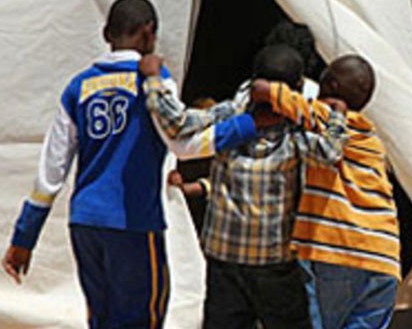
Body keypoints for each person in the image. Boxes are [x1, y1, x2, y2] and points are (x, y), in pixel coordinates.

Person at [1, 0, 257, 328]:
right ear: (149, 33)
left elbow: (51, 172)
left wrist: (24, 237)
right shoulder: (152, 80)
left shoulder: (77, 87)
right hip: (133, 222)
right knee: (142, 318)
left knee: (102, 317)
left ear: (107, 34)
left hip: (86, 223)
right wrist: (248, 125)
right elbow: (183, 144)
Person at [142, 43, 348, 329]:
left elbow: (178, 123)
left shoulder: (230, 117)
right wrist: (337, 114)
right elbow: (330, 152)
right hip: (273, 258)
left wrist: (153, 80)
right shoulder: (296, 133)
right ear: (298, 87)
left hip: (223, 256)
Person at [251, 54, 401, 329]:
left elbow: (266, 90)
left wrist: (266, 90)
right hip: (384, 259)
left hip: (334, 251)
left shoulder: (327, 115)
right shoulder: (372, 141)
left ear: (329, 84)